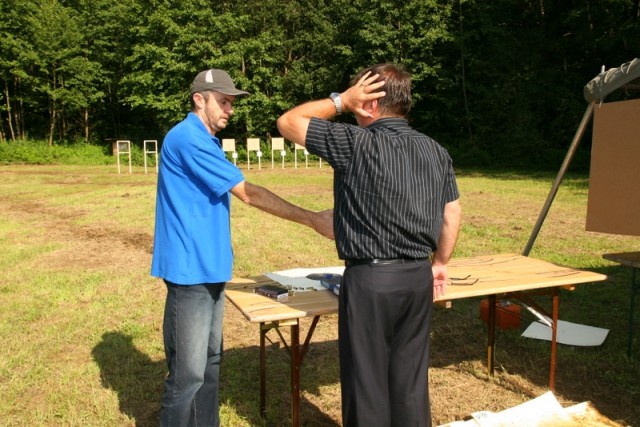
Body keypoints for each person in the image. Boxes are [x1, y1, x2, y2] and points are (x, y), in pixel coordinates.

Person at [277, 63, 462, 427]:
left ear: (370, 104)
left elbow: (288, 122)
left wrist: (342, 100)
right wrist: (440, 263)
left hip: (371, 280)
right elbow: (451, 213)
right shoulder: (435, 150)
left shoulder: (355, 142)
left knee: (367, 384)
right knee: (410, 381)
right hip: (417, 277)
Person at [151, 68, 333, 427]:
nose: (229, 110)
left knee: (210, 363)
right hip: (190, 272)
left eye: (232, 103)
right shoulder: (187, 138)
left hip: (211, 267)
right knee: (187, 375)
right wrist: (312, 219)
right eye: (223, 101)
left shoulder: (206, 139)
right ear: (198, 99)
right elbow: (248, 193)